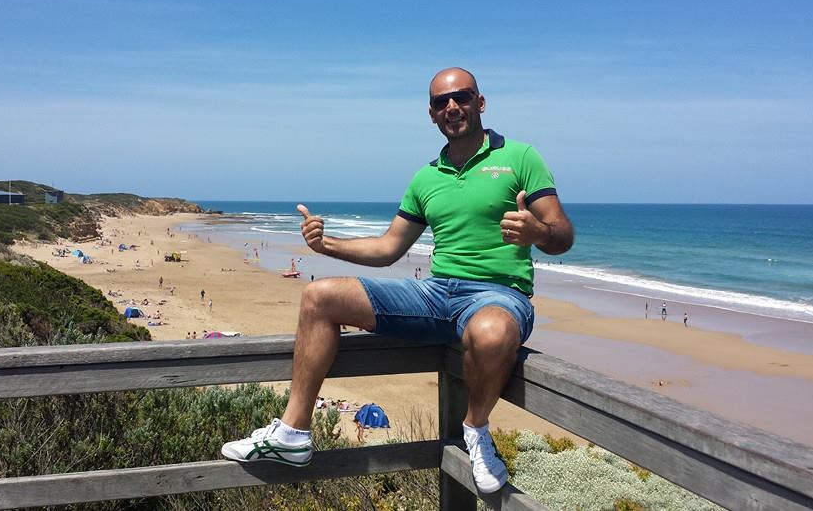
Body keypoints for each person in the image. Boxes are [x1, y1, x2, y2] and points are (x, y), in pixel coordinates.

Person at [220, 67, 574, 494]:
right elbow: (389, 248)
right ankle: (293, 434)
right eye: (441, 102)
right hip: (437, 294)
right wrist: (326, 245)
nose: (452, 107)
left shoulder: (521, 157)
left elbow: (563, 235)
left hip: (498, 295)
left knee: (491, 332)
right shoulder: (426, 177)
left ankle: (476, 431)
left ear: (480, 102)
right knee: (318, 295)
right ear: (431, 113)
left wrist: (538, 233)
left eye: (461, 97)